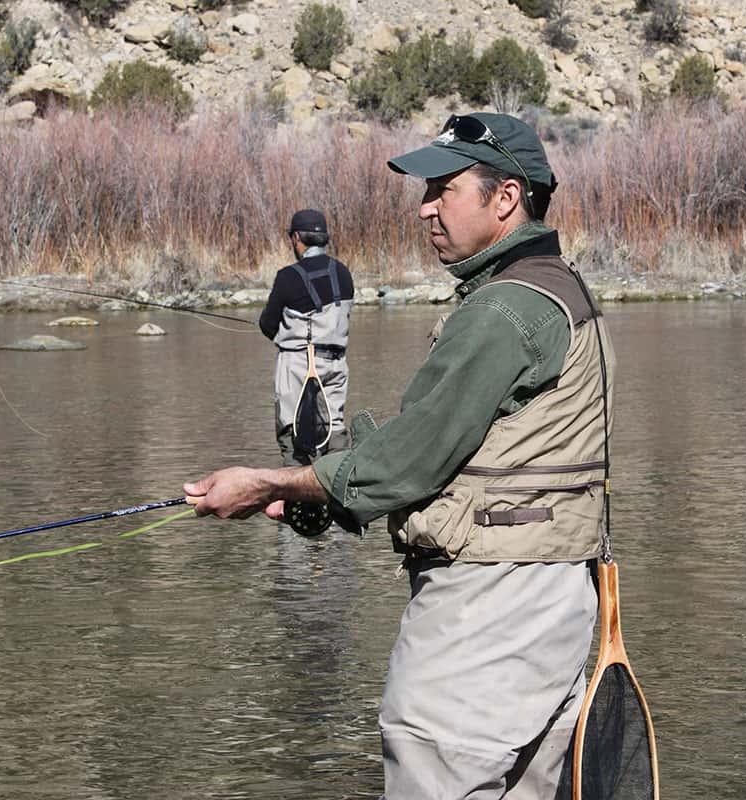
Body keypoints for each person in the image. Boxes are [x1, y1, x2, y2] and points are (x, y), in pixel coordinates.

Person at [186, 113, 615, 799]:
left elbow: (407, 464)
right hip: (554, 603)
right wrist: (317, 488)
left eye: (443, 188)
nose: (425, 207)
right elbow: (461, 451)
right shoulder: (559, 289)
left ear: (505, 198)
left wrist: (274, 482)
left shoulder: (504, 311)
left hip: (487, 614)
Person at [259, 209, 354, 465]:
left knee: (293, 436)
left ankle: (298, 499)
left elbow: (267, 325)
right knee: (334, 429)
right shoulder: (343, 273)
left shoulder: (287, 277)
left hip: (297, 366)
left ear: (297, 237)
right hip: (335, 364)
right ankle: (338, 493)